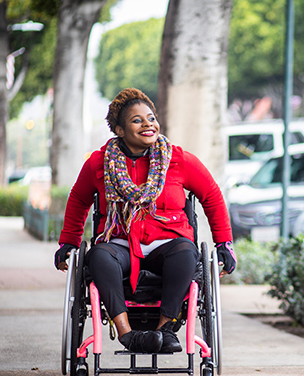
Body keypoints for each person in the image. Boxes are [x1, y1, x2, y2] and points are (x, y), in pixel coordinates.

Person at [54, 88, 236, 354]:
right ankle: (128, 335)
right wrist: (68, 243)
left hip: (169, 244)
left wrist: (224, 243)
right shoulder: (98, 164)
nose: (148, 124)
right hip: (121, 243)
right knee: (99, 257)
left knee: (188, 253)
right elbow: (79, 200)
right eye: (137, 120)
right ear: (119, 130)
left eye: (151, 118)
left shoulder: (178, 159)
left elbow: (211, 195)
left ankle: (165, 329)